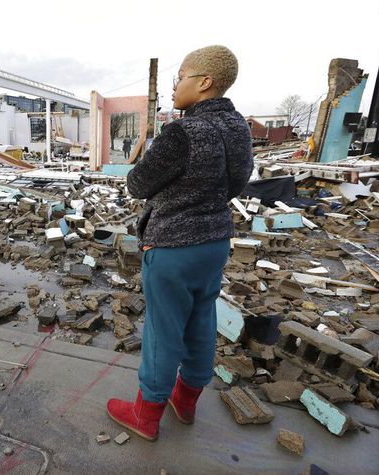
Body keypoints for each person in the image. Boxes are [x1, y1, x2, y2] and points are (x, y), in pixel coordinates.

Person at [106, 45, 253, 441]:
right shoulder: (239, 128)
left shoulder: (183, 132)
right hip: (215, 243)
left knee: (162, 331)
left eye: (181, 76)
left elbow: (137, 184)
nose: (175, 85)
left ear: (204, 82)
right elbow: (237, 183)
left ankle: (146, 414)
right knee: (201, 321)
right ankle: (185, 401)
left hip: (172, 247)